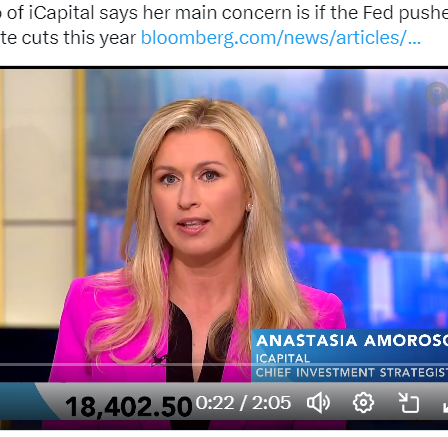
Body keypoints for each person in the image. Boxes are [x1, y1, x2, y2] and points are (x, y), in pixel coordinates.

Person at [43, 98, 346, 430]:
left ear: (250, 190)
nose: (186, 198)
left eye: (209, 175)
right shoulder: (92, 306)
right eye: (169, 179)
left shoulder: (313, 322)